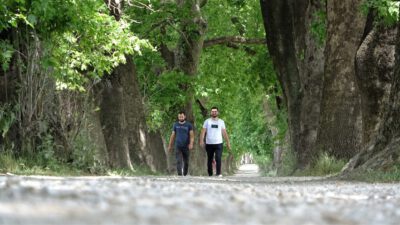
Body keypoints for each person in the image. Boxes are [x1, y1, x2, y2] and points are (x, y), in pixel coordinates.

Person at [200, 106, 231, 177]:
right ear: (211, 113)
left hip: (219, 143)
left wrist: (228, 142)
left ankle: (218, 173)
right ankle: (210, 174)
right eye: (212, 111)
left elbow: (224, 133)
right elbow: (203, 131)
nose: (214, 113)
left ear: (217, 112)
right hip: (209, 143)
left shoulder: (221, 122)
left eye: (215, 111)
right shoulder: (207, 121)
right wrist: (201, 141)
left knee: (218, 158)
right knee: (210, 159)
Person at [168, 111, 194, 176]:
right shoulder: (175, 125)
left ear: (184, 116)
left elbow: (192, 135)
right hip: (178, 145)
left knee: (186, 161)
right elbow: (173, 135)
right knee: (178, 161)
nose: (180, 118)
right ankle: (180, 175)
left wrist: (191, 143)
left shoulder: (189, 125)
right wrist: (170, 145)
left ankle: (185, 174)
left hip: (186, 146)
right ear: (178, 117)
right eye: (179, 116)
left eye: (182, 116)